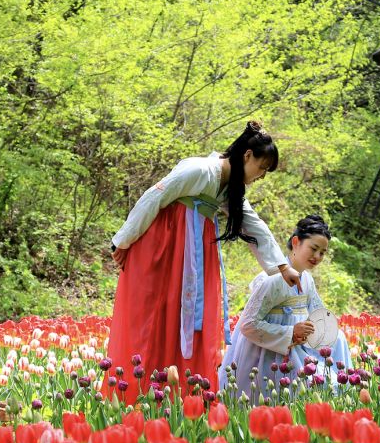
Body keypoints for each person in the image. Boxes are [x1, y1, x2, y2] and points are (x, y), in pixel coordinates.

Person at [107, 121, 301, 403]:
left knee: (185, 321)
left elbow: (254, 225)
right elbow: (154, 196)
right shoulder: (200, 170)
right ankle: (137, 395)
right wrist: (123, 241)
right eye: (262, 168)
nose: (262, 176)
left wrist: (283, 267)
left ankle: (180, 397)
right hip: (164, 248)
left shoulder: (229, 188)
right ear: (247, 156)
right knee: (154, 318)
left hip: (193, 257)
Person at [218, 215, 353, 397]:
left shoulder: (307, 279)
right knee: (315, 388)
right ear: (296, 242)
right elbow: (247, 324)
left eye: (322, 253)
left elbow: (316, 314)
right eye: (313, 249)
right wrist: (292, 332)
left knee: (340, 339)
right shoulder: (273, 279)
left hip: (296, 346)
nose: (317, 257)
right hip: (267, 354)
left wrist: (311, 331)